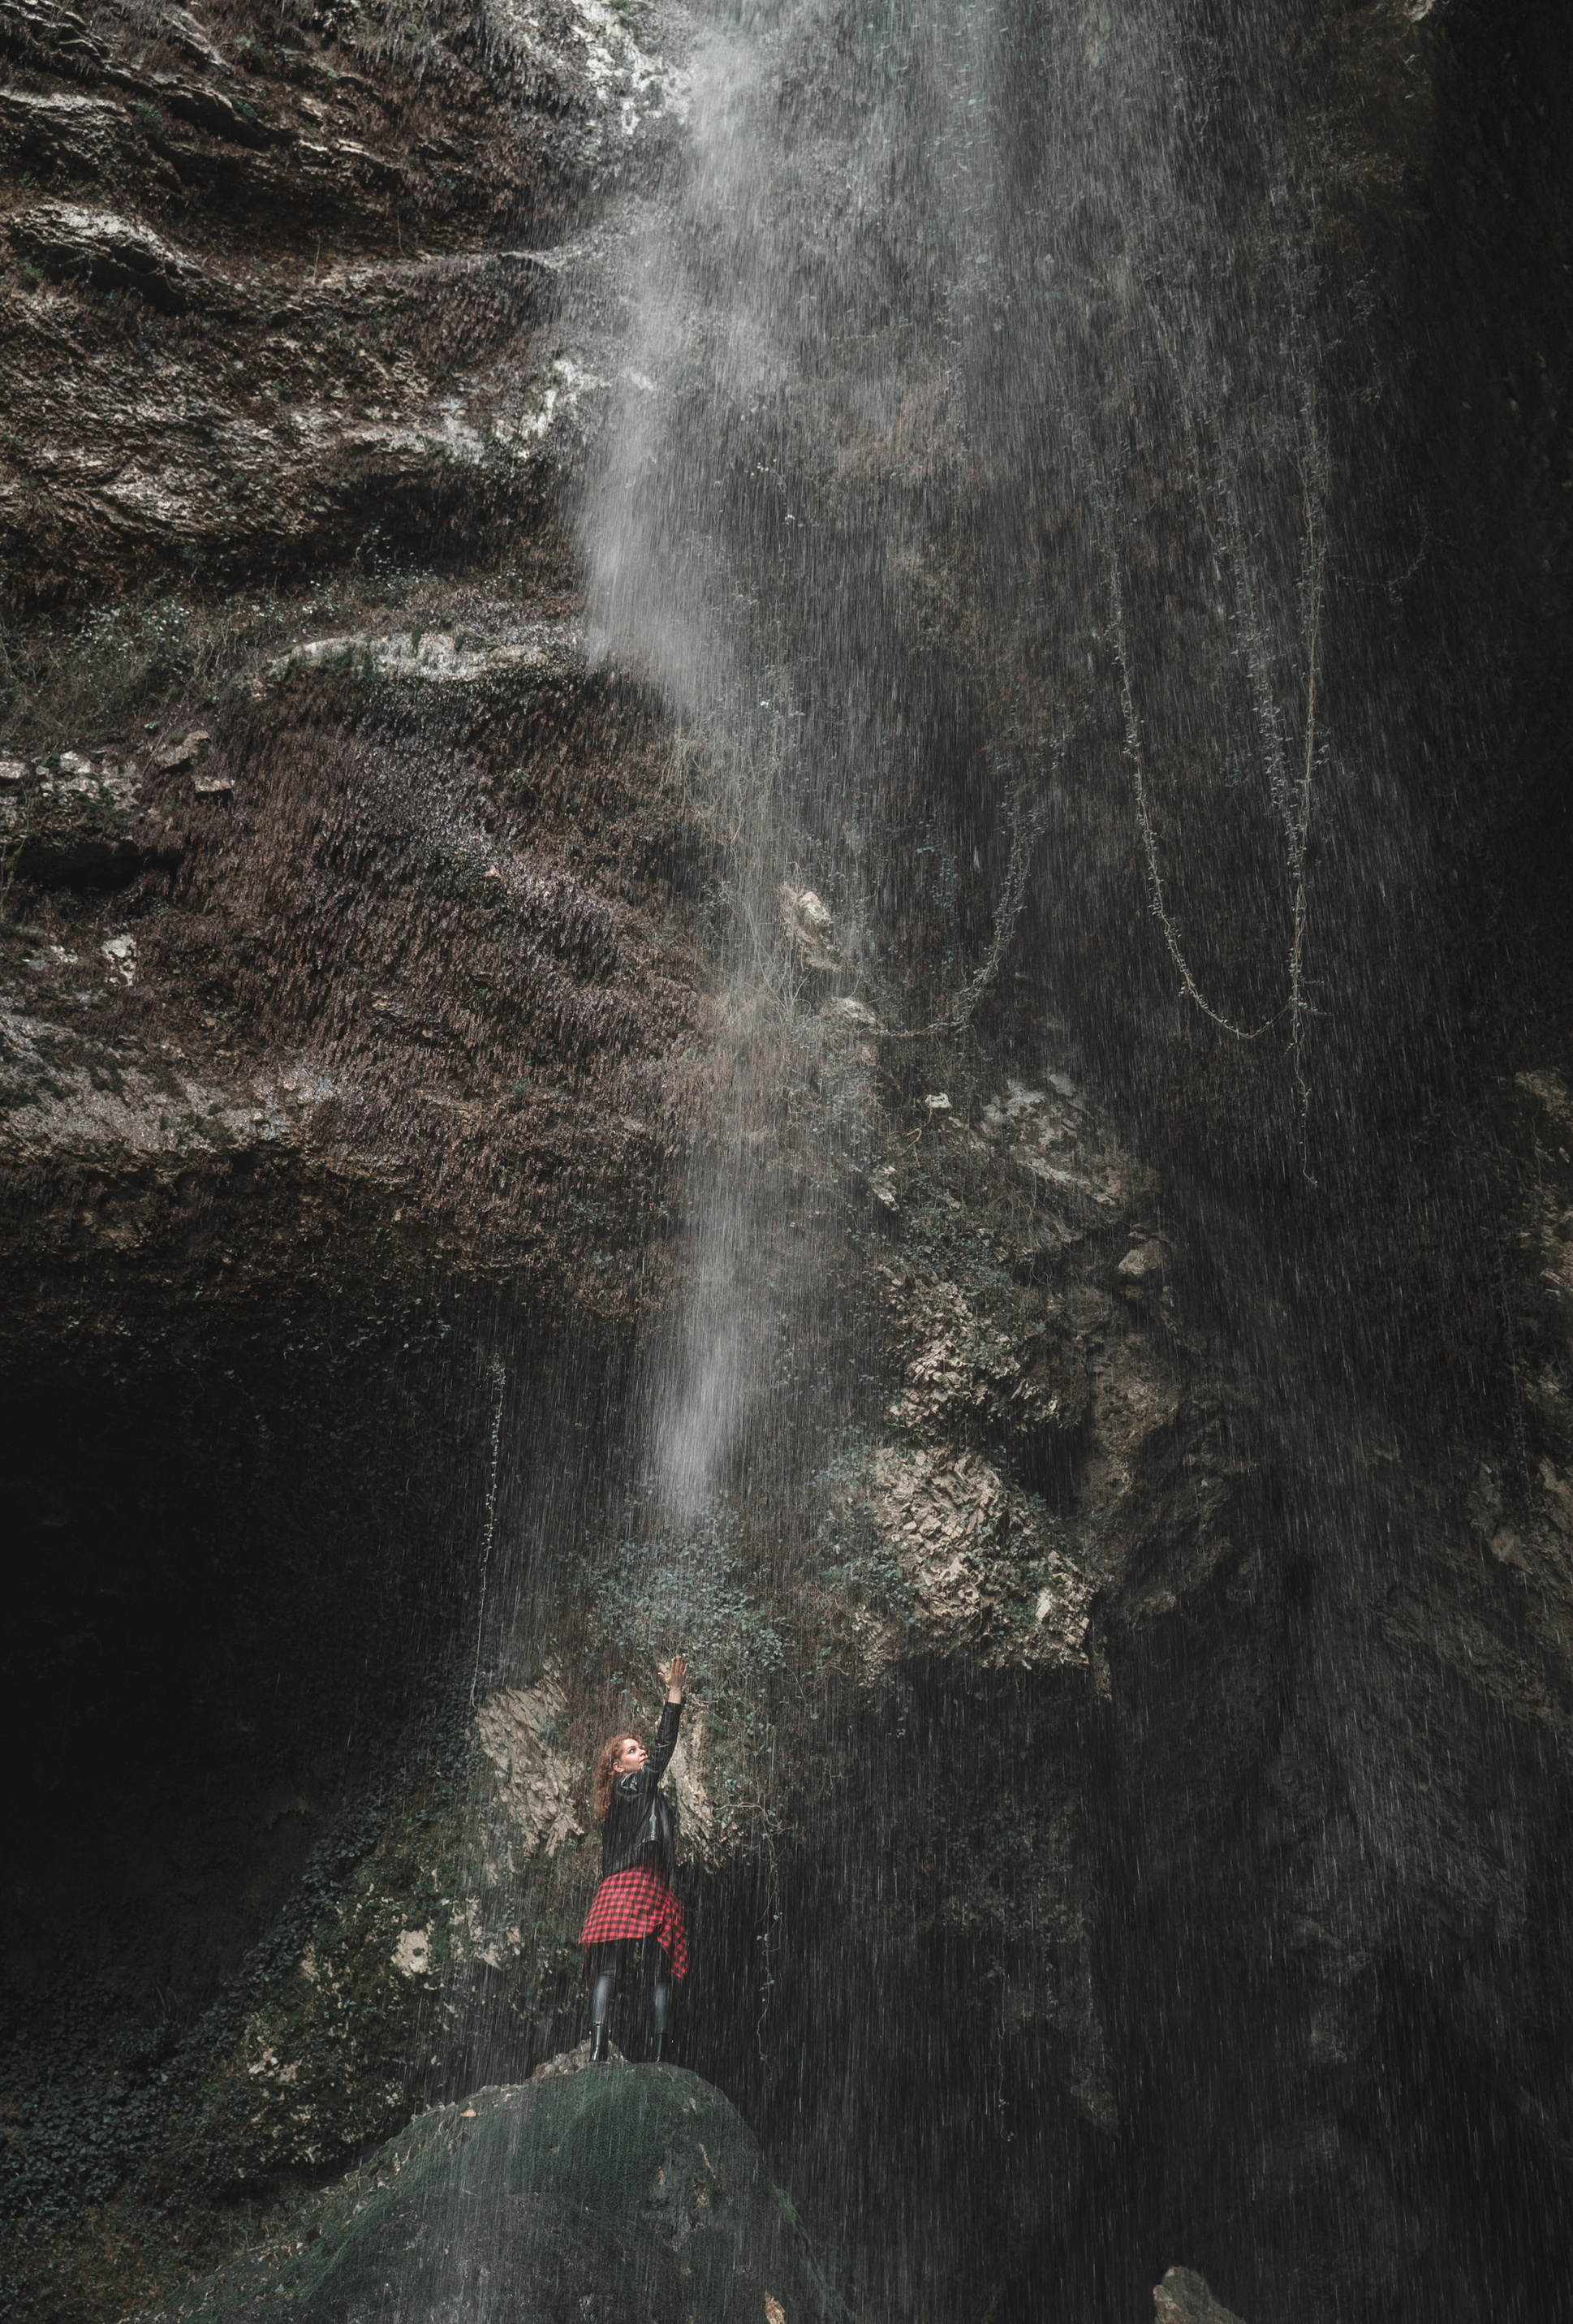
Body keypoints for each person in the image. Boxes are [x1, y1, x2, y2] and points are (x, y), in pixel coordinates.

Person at [580, 1653, 689, 2063]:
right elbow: (664, 1749)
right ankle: (657, 2056)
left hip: (632, 1885)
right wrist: (674, 1695)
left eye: (640, 1747)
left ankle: (598, 2051)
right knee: (648, 1972)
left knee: (614, 1968)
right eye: (632, 1749)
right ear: (616, 1764)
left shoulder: (633, 1795)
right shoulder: (632, 1785)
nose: (642, 1752)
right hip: (637, 1884)